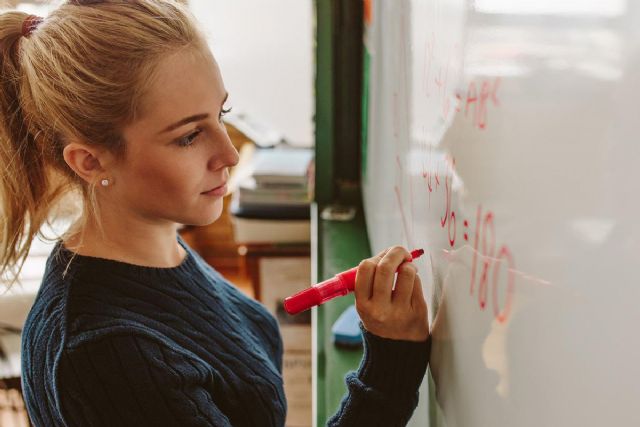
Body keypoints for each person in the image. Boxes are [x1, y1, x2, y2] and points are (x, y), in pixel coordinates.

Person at [0, 1, 431, 426]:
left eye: (220, 114)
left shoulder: (157, 245)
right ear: (90, 162)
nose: (228, 153)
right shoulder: (105, 352)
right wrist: (392, 363)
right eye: (189, 137)